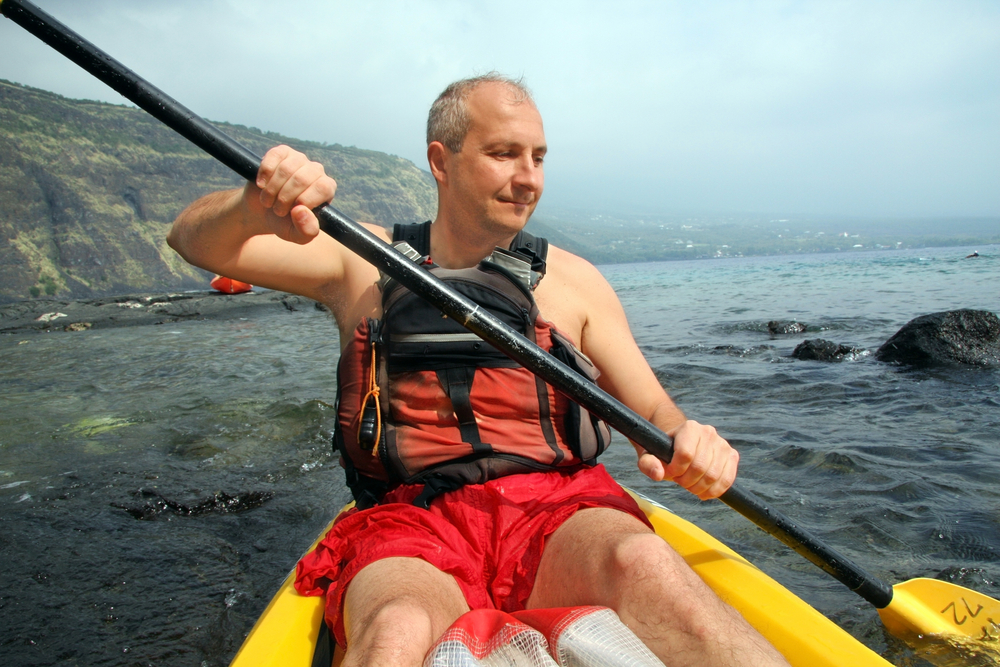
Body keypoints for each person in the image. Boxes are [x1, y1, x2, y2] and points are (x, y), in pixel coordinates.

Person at [168, 74, 790, 667]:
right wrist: (253, 205)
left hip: (558, 511)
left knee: (645, 566)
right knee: (397, 629)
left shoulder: (574, 283)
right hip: (411, 519)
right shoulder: (363, 259)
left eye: (538, 158)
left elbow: (655, 414)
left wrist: (691, 438)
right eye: (503, 153)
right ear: (441, 160)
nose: (528, 179)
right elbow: (196, 241)